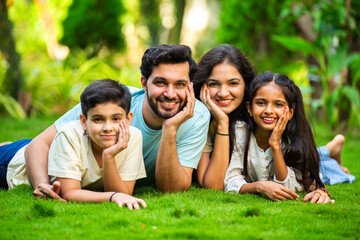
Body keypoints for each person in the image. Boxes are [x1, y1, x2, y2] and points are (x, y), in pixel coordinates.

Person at [24, 44, 210, 198]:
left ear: (189, 87)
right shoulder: (112, 103)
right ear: (144, 83)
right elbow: (38, 143)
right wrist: (42, 184)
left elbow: (171, 190)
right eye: (160, 83)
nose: (170, 94)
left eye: (180, 84)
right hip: (31, 159)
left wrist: (170, 127)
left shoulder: (197, 117)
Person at [1, 79, 147, 209]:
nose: (108, 127)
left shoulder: (133, 136)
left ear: (128, 119)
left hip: (55, 151)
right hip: (12, 163)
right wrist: (112, 197)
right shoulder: (70, 134)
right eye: (98, 119)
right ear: (84, 122)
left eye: (116, 119)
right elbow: (70, 193)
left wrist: (108, 156)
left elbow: (123, 194)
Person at [224, 71, 355, 203]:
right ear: (249, 108)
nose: (268, 110)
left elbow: (286, 187)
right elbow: (231, 180)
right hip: (308, 157)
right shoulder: (241, 131)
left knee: (323, 167)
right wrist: (260, 186)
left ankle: (333, 147)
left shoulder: (294, 137)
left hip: (306, 162)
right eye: (261, 103)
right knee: (320, 156)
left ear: (290, 112)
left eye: (278, 104)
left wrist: (275, 144)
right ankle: (331, 149)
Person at [193, 44, 256, 189]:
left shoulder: (259, 115)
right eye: (214, 84)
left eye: (233, 83)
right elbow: (211, 183)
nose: (223, 93)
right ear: (203, 86)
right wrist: (222, 122)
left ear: (246, 84)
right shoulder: (198, 118)